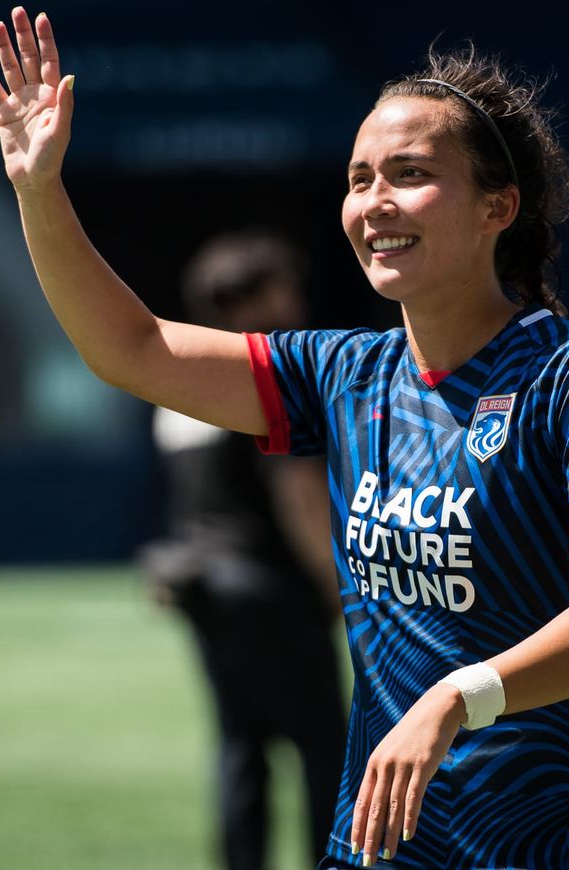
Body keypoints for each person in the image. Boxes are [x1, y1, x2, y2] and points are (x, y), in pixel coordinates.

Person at [0, 10, 569, 868]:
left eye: (410, 174)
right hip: (376, 839)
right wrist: (39, 190)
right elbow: (132, 349)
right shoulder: (343, 374)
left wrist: (459, 698)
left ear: (498, 206)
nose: (374, 202)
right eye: (358, 178)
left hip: (542, 842)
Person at [142, 231, 346, 870]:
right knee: (324, 743)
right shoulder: (267, 379)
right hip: (271, 584)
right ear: (245, 301)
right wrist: (335, 580)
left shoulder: (181, 383)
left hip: (205, 587)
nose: (295, 303)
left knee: (240, 744)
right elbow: (298, 494)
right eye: (281, 289)